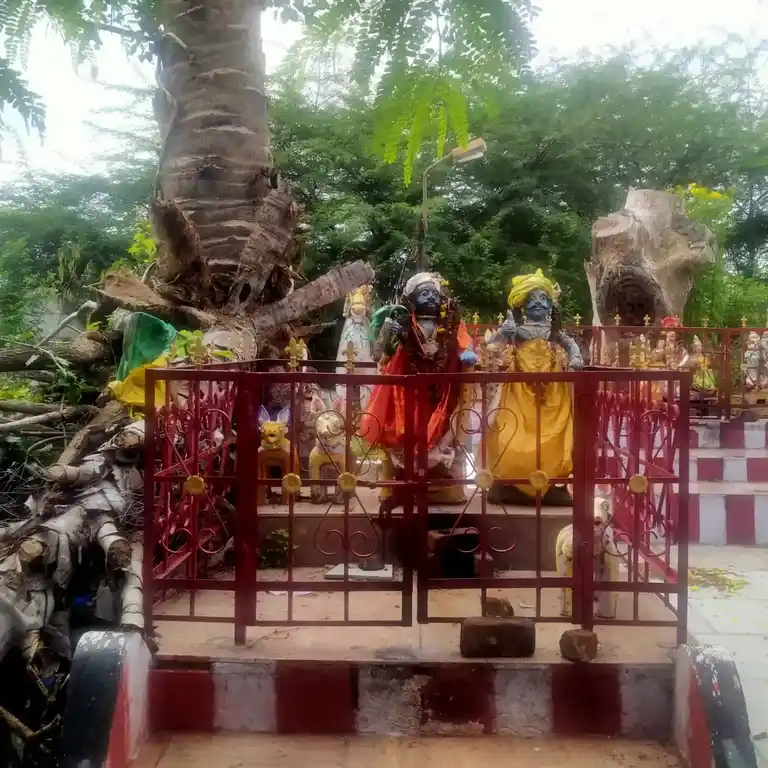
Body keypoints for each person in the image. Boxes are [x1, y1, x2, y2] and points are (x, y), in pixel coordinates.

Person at [484, 269, 583, 505]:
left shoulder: (553, 333)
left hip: (552, 391)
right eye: (532, 299)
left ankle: (551, 485)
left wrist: (576, 357)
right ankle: (511, 483)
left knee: (555, 435)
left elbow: (571, 346)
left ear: (550, 305)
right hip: (519, 390)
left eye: (543, 299)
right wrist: (503, 333)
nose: (537, 303)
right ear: (523, 304)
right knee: (512, 433)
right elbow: (492, 343)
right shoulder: (518, 330)